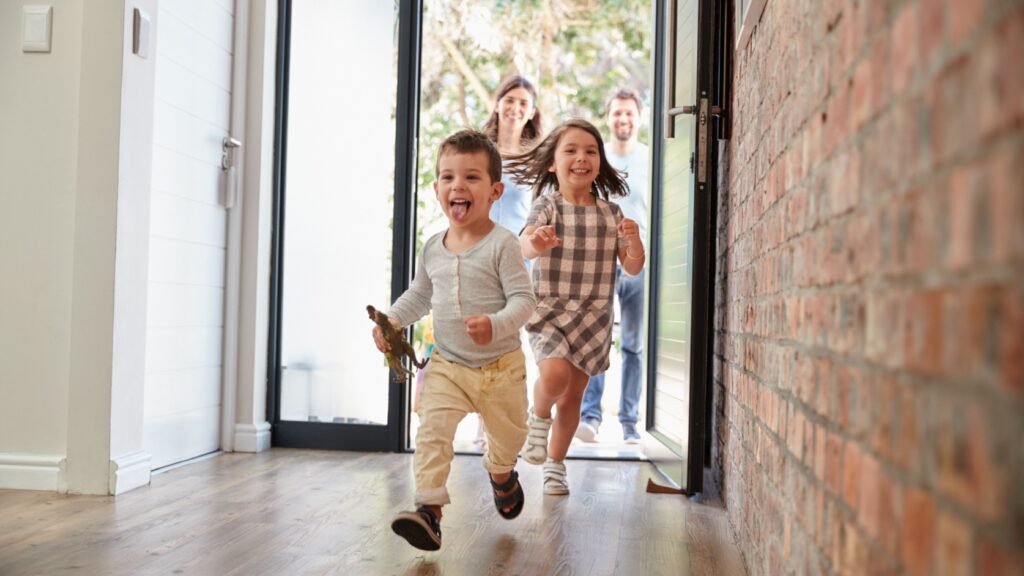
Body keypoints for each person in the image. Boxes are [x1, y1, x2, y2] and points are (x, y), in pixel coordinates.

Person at [375, 130, 536, 551]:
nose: (457, 186)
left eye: (471, 178)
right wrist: (392, 321)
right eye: (447, 178)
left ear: (495, 191)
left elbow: (525, 300)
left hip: (501, 367)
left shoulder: (504, 245)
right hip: (447, 364)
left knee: (510, 438)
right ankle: (429, 511)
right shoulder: (432, 248)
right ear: (436, 190)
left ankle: (502, 473)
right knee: (432, 431)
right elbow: (420, 295)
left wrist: (496, 324)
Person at [507, 119, 646, 495]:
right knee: (554, 378)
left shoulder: (612, 214)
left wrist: (633, 242)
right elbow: (523, 247)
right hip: (550, 313)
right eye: (570, 150)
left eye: (590, 151)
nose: (581, 158)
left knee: (573, 398)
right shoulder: (547, 205)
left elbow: (633, 267)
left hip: (594, 319)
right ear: (552, 163)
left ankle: (555, 464)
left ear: (599, 162)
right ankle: (538, 419)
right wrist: (537, 241)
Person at [576, 89, 650, 445]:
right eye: (617, 113)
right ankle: (590, 417)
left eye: (629, 113)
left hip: (637, 263)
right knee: (596, 340)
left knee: (634, 344)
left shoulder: (652, 160)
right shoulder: (596, 161)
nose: (623, 119)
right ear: (609, 117)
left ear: (639, 117)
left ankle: (630, 422)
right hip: (600, 263)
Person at [483, 75, 543, 235]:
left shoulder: (537, 162)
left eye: (523, 103)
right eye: (509, 100)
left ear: (532, 113)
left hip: (518, 254)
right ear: (497, 106)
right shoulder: (479, 154)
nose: (515, 108)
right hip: (479, 251)